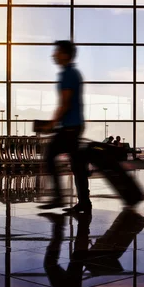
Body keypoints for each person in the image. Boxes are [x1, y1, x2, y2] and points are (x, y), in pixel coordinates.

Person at [39, 40, 91, 213]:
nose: (54, 55)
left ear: (66, 55)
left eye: (57, 52)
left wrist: (52, 124)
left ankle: (59, 198)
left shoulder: (68, 74)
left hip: (70, 127)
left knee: (50, 156)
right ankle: (84, 202)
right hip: (74, 126)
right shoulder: (72, 73)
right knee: (77, 166)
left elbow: (65, 103)